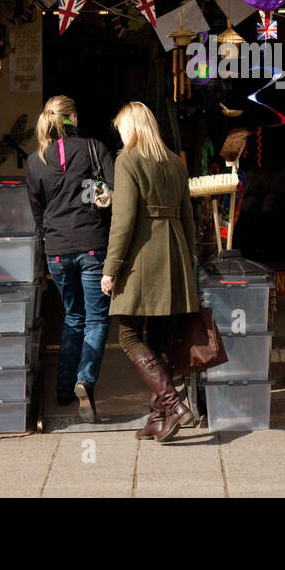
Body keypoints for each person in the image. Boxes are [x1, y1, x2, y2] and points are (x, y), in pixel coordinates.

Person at [100, 101, 198, 443]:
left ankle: (174, 404)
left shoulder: (127, 160)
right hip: (173, 256)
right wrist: (190, 260)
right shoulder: (174, 162)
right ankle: (159, 419)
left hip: (141, 257)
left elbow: (122, 220)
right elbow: (188, 217)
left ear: (131, 128)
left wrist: (110, 269)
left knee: (127, 335)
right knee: (157, 339)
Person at [26, 95, 116, 422]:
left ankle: (64, 390)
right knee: (96, 319)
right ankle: (84, 379)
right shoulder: (94, 148)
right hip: (92, 245)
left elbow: (39, 214)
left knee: (72, 317)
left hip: (57, 251)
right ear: (74, 118)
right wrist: (92, 192)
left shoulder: (34, 161)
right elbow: (114, 194)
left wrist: (50, 242)